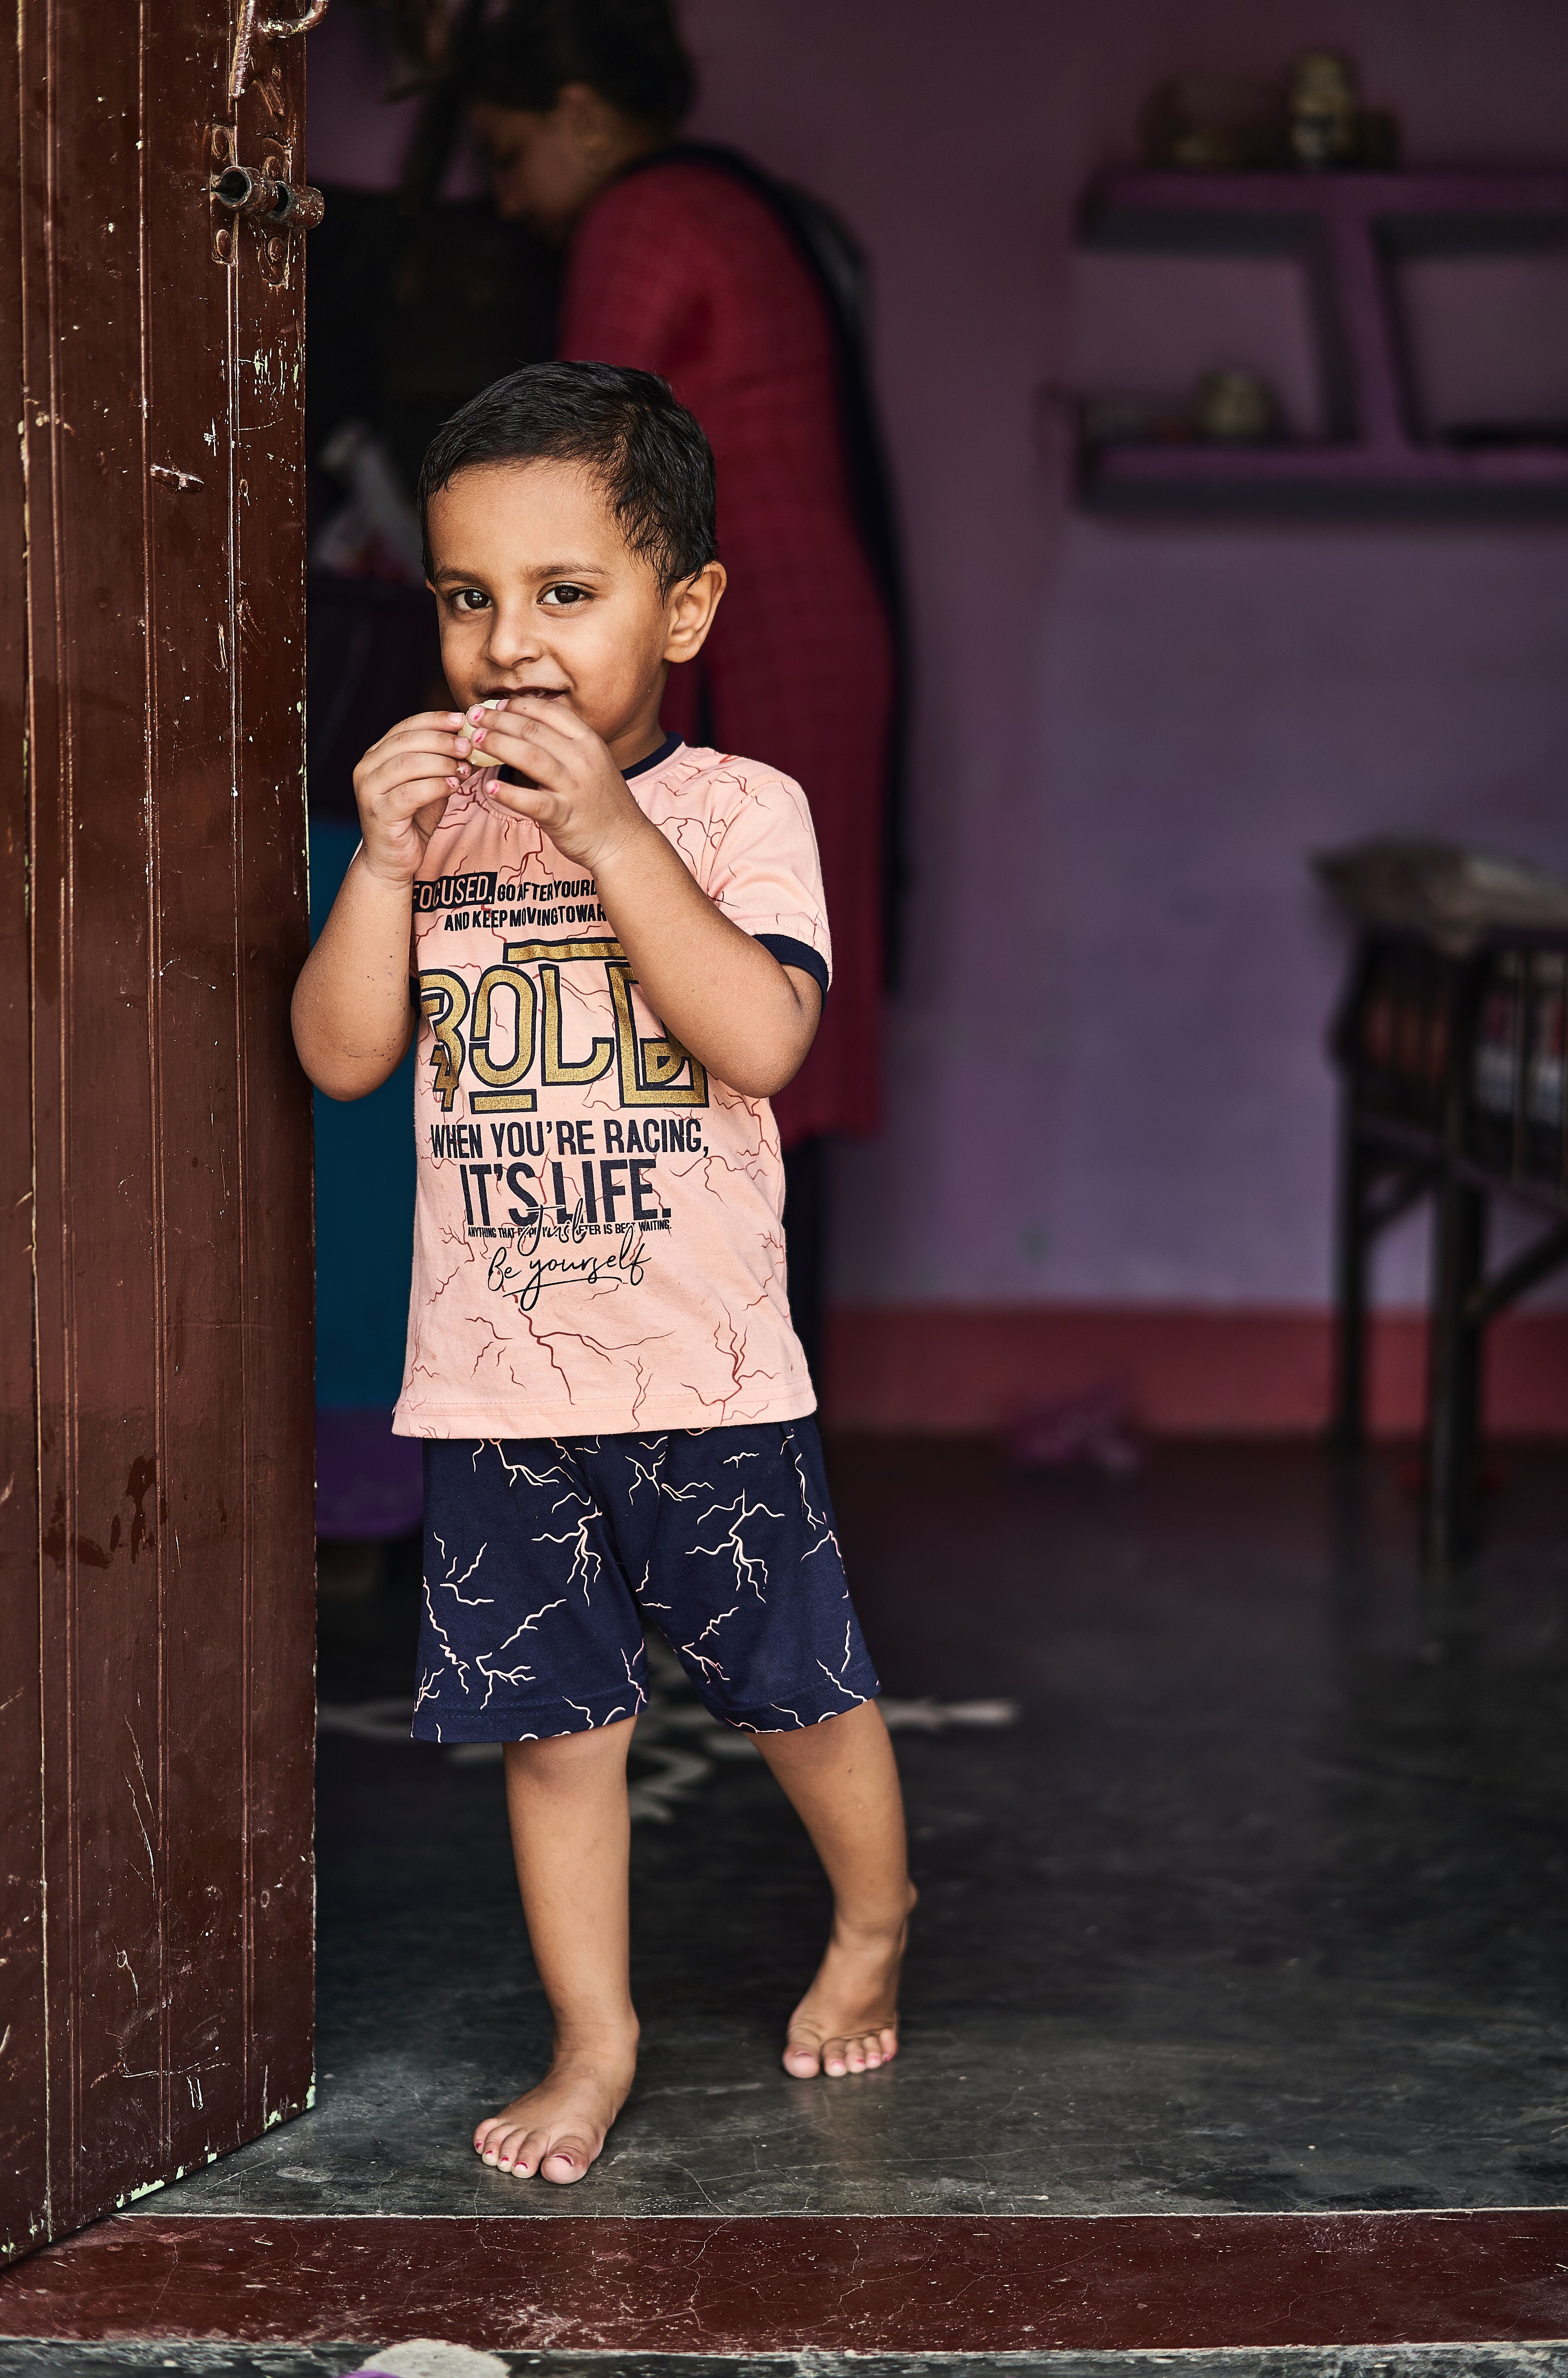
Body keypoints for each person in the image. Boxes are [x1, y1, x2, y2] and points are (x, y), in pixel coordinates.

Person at [291, 362, 914, 2187]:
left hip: (703, 1373)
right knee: (554, 1734)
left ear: (685, 609)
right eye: (468, 597)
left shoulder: (736, 811)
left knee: (797, 1690)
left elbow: (765, 1037)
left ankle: (872, 1917)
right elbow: (339, 1054)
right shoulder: (439, 829)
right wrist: (381, 865)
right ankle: (594, 2037)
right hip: (499, 1384)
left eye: (566, 593)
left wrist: (612, 834)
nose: (510, 645)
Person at [464, 0, 905, 1382]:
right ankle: (763, 1383)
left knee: (720, 995)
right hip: (803, 621)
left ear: (583, 115)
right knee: (768, 977)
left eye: (511, 154)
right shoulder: (734, 204)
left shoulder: (644, 216)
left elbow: (573, 477)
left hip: (747, 636)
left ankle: (719, 1382)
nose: (508, 201)